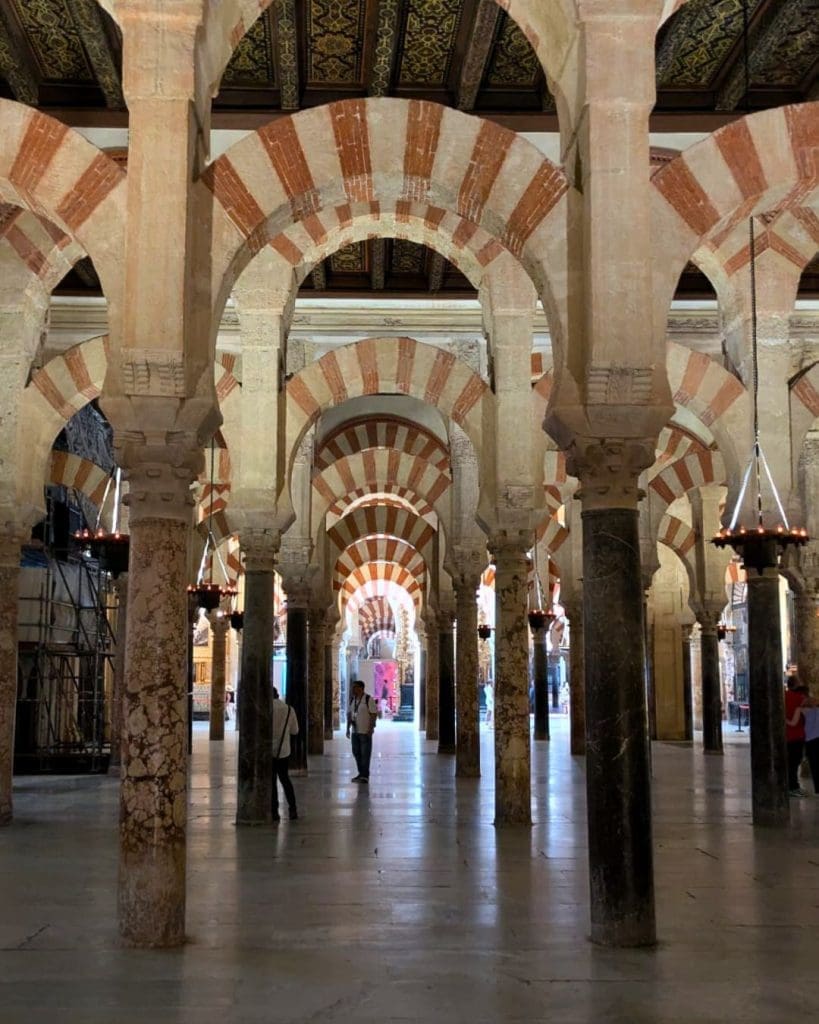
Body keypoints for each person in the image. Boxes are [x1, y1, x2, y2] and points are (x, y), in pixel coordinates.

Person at [271, 687, 299, 821]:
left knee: (271, 781)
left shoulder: (264, 708)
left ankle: (273, 811)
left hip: (268, 750)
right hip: (283, 749)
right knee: (285, 779)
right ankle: (292, 808)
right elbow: (295, 731)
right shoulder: (288, 709)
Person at [346, 679, 378, 783]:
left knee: (365, 754)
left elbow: (373, 714)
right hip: (355, 731)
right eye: (352, 687)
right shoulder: (353, 700)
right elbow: (350, 714)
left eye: (355, 687)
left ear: (361, 688)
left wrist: (371, 728)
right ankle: (360, 773)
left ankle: (365, 775)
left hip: (365, 731)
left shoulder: (368, 699)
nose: (353, 689)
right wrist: (347, 728)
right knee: (356, 752)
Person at [785, 676, 807, 797]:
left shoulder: (783, 695)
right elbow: (794, 722)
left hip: (787, 735)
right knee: (794, 763)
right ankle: (793, 787)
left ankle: (792, 786)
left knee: (790, 762)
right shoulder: (800, 698)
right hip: (797, 735)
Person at [802, 696, 819, 795]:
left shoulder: (805, 711)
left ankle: (818, 788)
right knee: (815, 765)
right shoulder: (805, 711)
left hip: (811, 740)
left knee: (814, 764)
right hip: (812, 740)